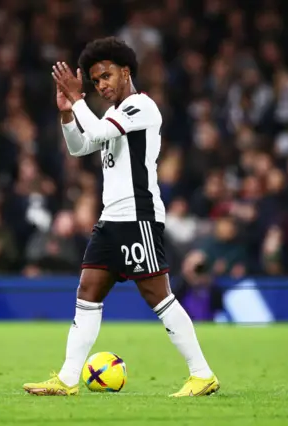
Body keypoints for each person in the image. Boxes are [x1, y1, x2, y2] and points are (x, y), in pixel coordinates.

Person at [23, 37, 219, 397]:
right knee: (88, 290)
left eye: (106, 76)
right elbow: (80, 145)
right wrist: (67, 112)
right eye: (95, 80)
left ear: (126, 71)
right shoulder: (114, 116)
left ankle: (202, 373)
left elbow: (95, 131)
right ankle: (67, 379)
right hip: (111, 219)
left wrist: (78, 99)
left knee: (158, 295)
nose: (101, 85)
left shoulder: (141, 108)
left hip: (138, 216)